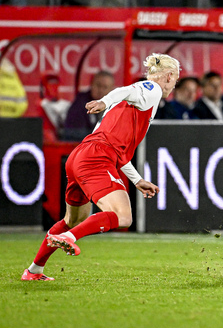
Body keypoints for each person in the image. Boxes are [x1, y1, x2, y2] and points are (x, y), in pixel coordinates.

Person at [21, 53, 180, 281]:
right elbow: (126, 89)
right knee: (122, 216)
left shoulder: (132, 105)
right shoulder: (152, 89)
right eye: (175, 81)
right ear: (169, 76)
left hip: (81, 156)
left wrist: (136, 180)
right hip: (97, 158)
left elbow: (119, 150)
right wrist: (104, 101)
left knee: (73, 219)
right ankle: (70, 238)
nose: (173, 87)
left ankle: (34, 270)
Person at [63, 70, 115, 141]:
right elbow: (74, 133)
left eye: (105, 87)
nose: (101, 90)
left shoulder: (115, 107)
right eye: (98, 85)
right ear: (91, 84)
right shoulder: (80, 104)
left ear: (111, 90)